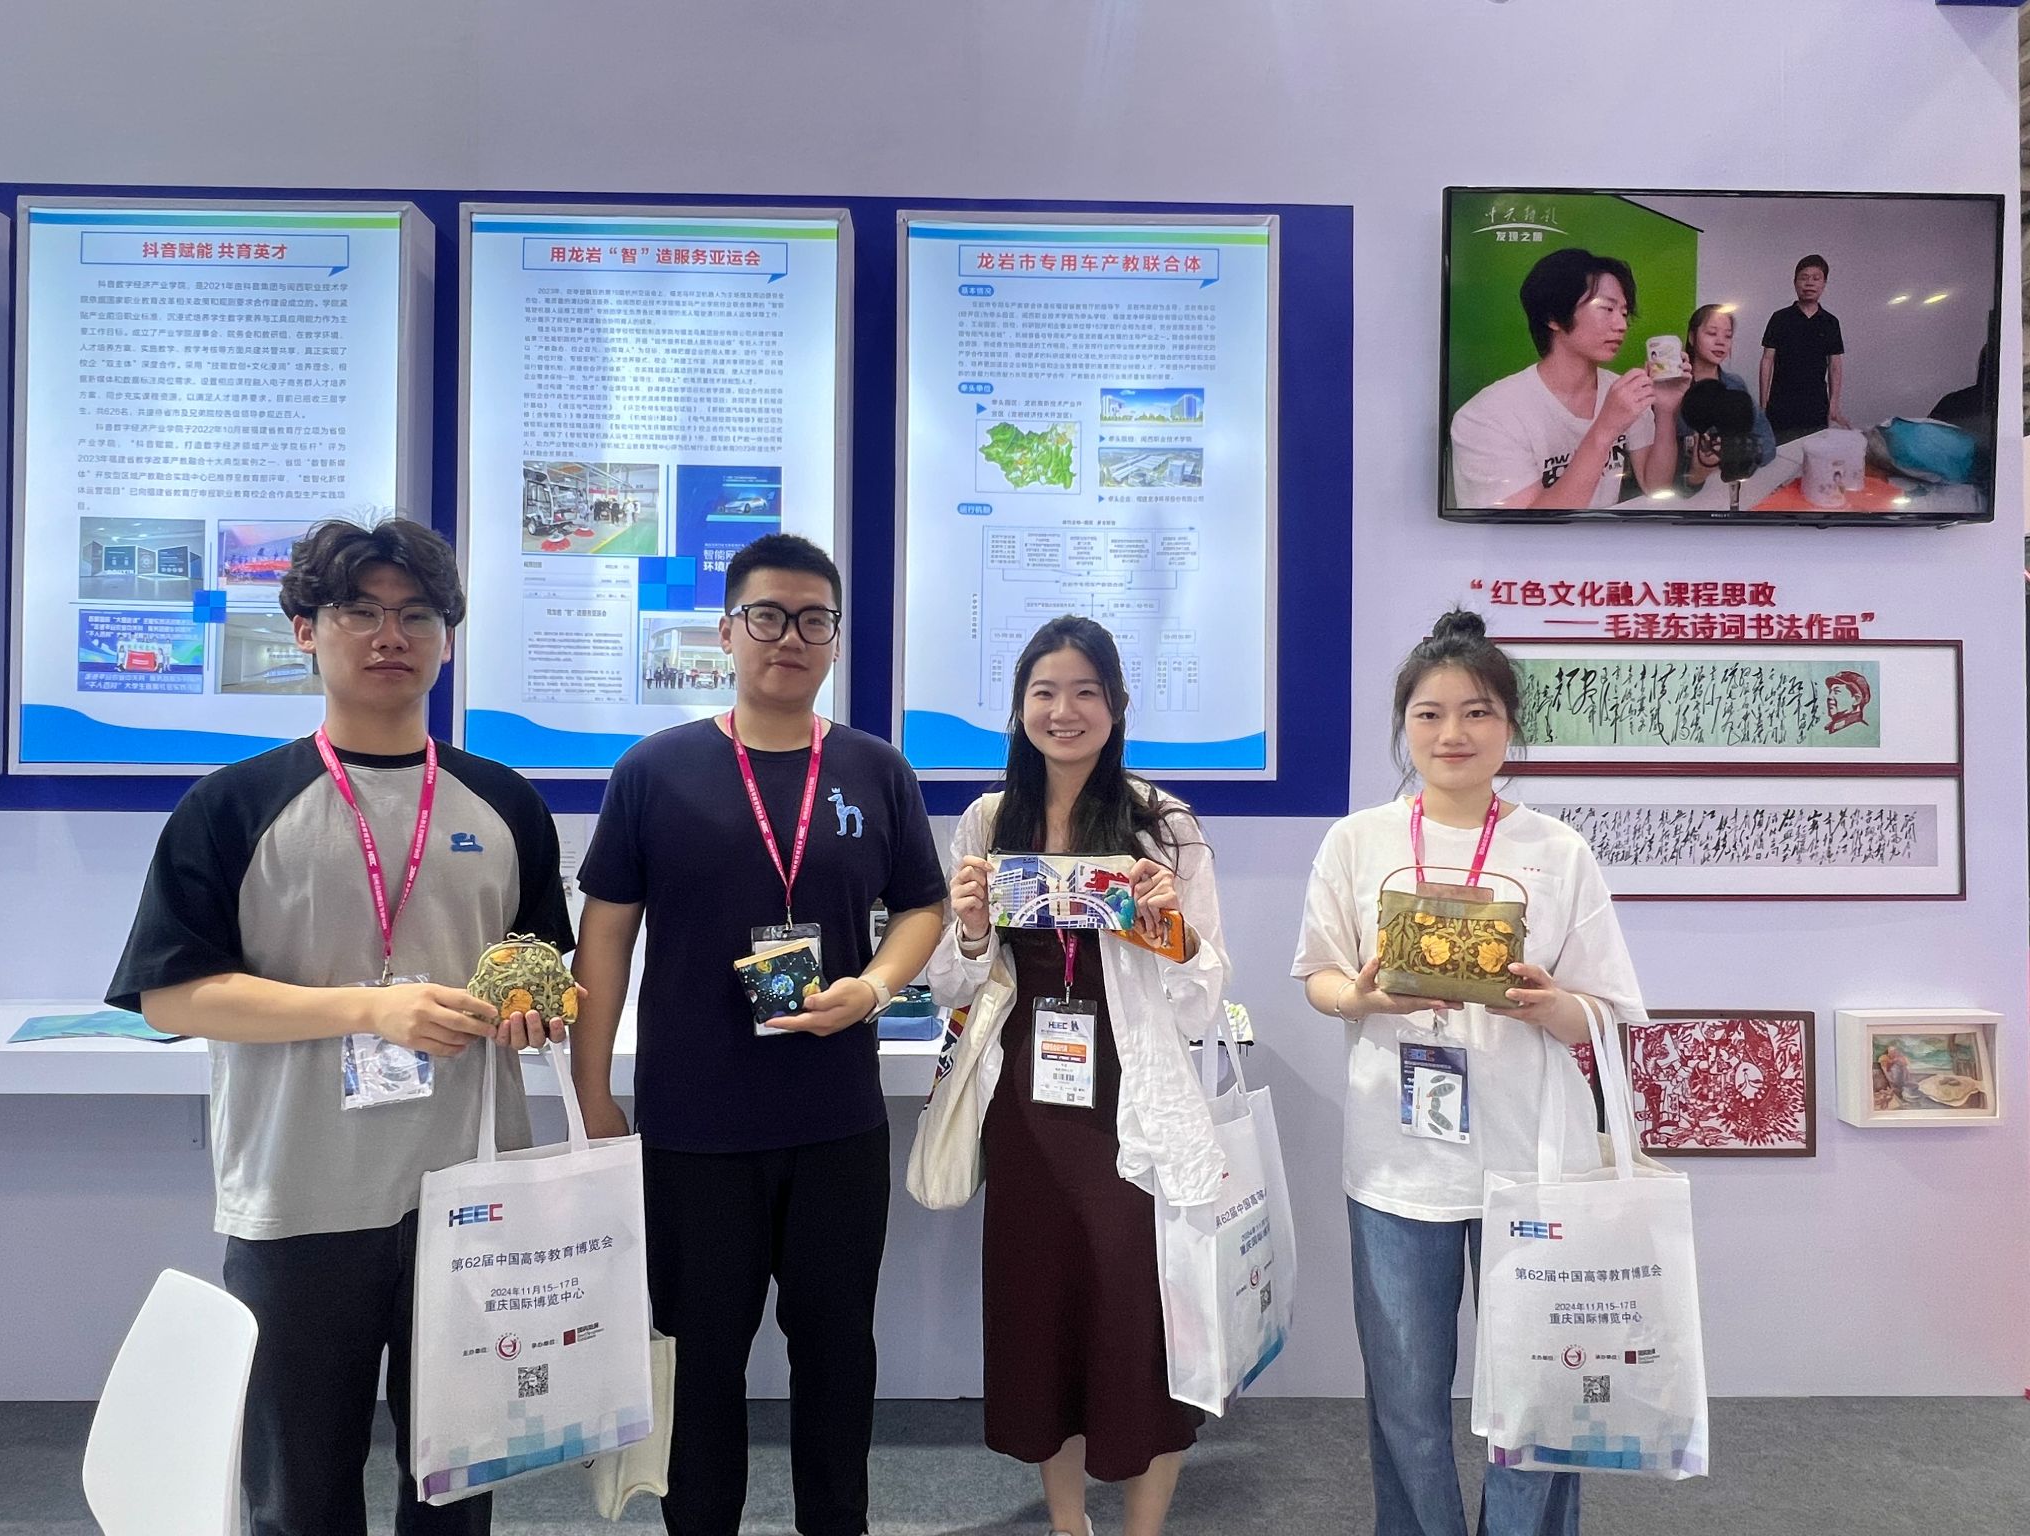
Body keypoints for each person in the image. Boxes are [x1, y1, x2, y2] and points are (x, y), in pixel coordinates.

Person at [107, 517, 575, 1536]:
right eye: (358, 610)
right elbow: (171, 996)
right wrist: (370, 1007)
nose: (389, 635)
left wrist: (531, 1015)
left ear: (447, 637)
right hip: (300, 1196)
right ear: (303, 630)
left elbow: (538, 972)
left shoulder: (506, 804)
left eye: (416, 614)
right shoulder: (233, 807)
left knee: (457, 1487)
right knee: (300, 1495)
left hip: (470, 1196)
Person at [569, 532, 947, 1536]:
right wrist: (592, 1091)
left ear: (835, 640)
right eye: (768, 616)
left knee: (837, 1354)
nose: (791, 637)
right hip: (694, 1128)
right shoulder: (654, 771)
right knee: (698, 1362)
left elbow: (922, 906)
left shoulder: (875, 770)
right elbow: (604, 939)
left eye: (814, 620)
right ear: (726, 632)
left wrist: (873, 988)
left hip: (835, 1124)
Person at [1291, 608, 1650, 1536]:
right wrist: (1360, 997)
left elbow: (1604, 1009)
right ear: (1404, 727)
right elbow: (1320, 977)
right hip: (1395, 1158)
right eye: (1430, 714)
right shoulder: (1357, 841)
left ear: (1509, 726)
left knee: (1539, 1388)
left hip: (1533, 1157)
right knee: (1406, 1394)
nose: (1453, 733)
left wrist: (1545, 1004)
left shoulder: (1557, 850)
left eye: (1477, 712)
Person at [927, 615, 1229, 1536]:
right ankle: (1068, 1524)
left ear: (1117, 705)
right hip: (1026, 1106)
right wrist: (969, 931)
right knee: (1042, 1320)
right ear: (1020, 708)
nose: (1065, 711)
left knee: (1141, 1329)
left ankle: (1142, 1529)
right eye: (1045, 692)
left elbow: (1203, 997)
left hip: (1131, 1108)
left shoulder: (1162, 823)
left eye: (1086, 692)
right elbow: (953, 986)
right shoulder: (988, 821)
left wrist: (1166, 927)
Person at [1449, 247, 1685, 510]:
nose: (1621, 325)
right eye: (1607, 308)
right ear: (1553, 317)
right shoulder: (1487, 416)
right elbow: (1526, 526)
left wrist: (1665, 410)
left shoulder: (1621, 391)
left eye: (1623, 312)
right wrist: (1606, 427)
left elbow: (1656, 487)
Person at [1677, 303, 1776, 482]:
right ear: (1692, 337)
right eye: (1712, 333)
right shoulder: (1673, 389)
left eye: (1728, 336)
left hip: (1728, 483)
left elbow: (1767, 442)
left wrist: (1735, 461)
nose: (1721, 342)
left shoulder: (1735, 385)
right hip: (1687, 487)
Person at [1759, 253, 1847, 442]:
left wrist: (1834, 405)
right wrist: (1763, 404)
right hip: (1780, 406)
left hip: (1816, 407)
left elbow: (1835, 365)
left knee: (1814, 455)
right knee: (1780, 454)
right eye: (1804, 278)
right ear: (1795, 282)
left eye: (1816, 278)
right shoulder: (1780, 318)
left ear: (1824, 284)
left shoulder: (1830, 322)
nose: (1809, 283)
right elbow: (1767, 360)